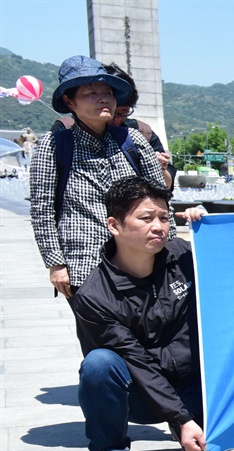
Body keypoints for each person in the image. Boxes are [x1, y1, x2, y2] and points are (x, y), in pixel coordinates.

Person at [67, 177, 207, 451]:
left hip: (198, 385)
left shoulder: (183, 256)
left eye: (164, 217)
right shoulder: (94, 296)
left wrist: (209, 230)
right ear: (115, 225)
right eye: (146, 218)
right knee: (99, 365)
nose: (158, 226)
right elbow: (137, 362)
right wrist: (181, 418)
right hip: (142, 397)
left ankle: (200, 429)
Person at [29, 56, 170, 298]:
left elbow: (160, 199)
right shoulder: (52, 146)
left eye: (108, 92)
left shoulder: (132, 141)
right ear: (69, 101)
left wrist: (171, 252)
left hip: (140, 264)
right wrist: (55, 263)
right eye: (91, 92)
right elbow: (42, 209)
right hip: (84, 267)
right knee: (103, 335)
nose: (103, 98)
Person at [52, 64, 175, 190]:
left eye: (123, 113)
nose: (115, 119)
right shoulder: (62, 133)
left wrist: (157, 167)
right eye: (114, 112)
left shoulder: (141, 134)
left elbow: (164, 188)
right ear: (70, 102)